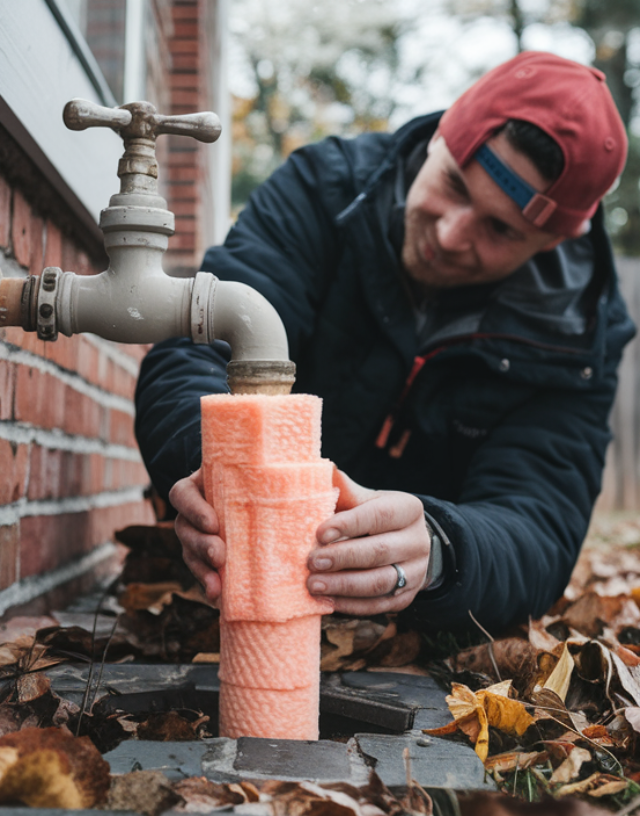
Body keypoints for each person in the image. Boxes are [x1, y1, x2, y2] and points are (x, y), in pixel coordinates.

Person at [135, 51, 634, 635]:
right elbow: (190, 354)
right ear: (440, 140)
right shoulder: (320, 191)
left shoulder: (577, 337)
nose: (450, 235)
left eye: (500, 229)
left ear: (549, 242)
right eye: (453, 184)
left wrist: (441, 550)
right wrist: (213, 468)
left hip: (413, 628)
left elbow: (538, 525)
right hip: (226, 593)